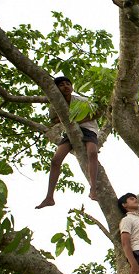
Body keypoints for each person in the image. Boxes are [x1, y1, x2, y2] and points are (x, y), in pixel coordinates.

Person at [35, 76, 100, 208]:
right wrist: (68, 121)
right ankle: (49, 197)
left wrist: (75, 121)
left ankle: (93, 189)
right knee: (55, 161)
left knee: (92, 153)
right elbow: (54, 120)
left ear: (72, 87)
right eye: (61, 85)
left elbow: (97, 112)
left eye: (68, 84)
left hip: (89, 129)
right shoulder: (56, 105)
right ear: (56, 89)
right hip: (70, 133)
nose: (65, 86)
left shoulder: (81, 100)